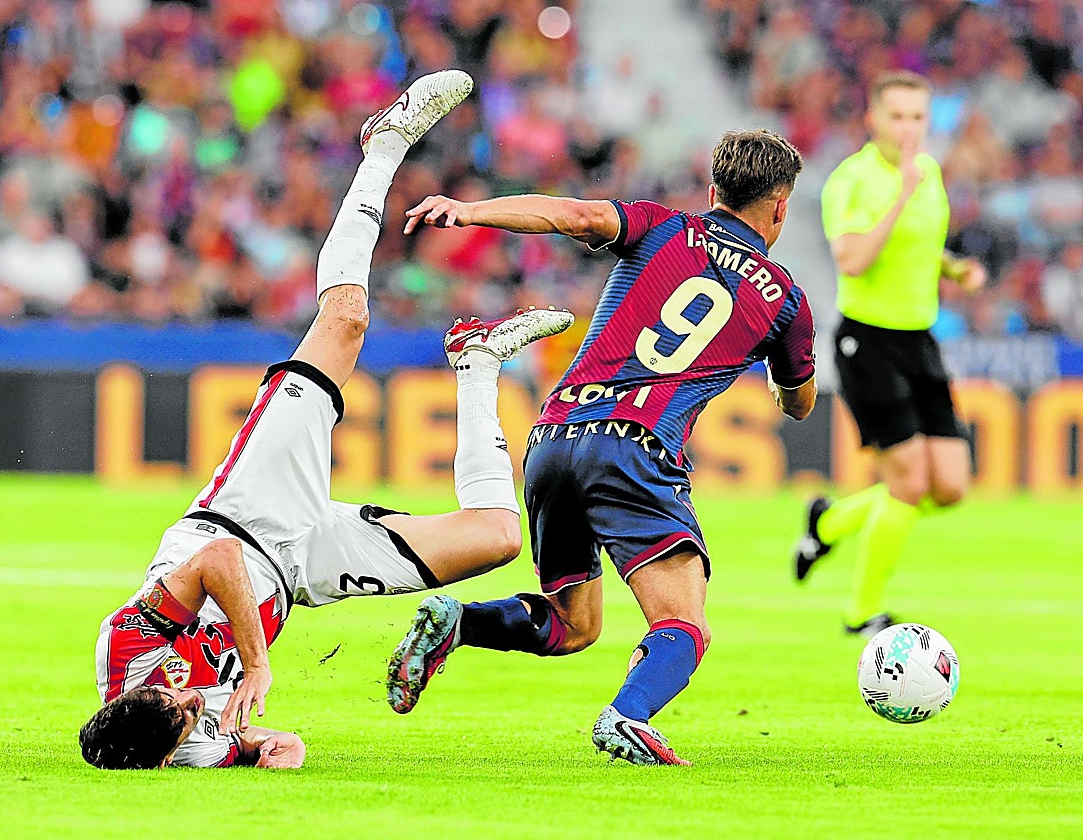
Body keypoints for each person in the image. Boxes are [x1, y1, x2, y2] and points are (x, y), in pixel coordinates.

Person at [78, 70, 575, 770]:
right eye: (187, 717)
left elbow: (217, 564)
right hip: (301, 572)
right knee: (495, 539)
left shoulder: (126, 651)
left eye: (177, 700)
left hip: (245, 517)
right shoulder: (181, 747)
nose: (191, 704)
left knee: (345, 322)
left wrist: (255, 667)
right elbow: (279, 748)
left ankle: (383, 146)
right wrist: (263, 749)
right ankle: (478, 362)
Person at [388, 129, 817, 765]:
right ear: (780, 208)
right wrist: (778, 382)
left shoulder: (661, 228)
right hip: (635, 448)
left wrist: (471, 210)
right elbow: (800, 401)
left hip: (555, 436)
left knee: (574, 624)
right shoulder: (784, 300)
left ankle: (459, 622)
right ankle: (628, 717)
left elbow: (574, 214)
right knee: (684, 625)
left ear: (713, 191)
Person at [793, 71, 986, 637]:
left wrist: (954, 269)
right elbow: (853, 260)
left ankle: (828, 522)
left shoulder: (928, 173)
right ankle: (862, 613)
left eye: (918, 118)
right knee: (906, 486)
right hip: (867, 340)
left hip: (919, 340)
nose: (908, 128)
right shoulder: (852, 181)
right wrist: (900, 193)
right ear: (872, 119)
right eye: (897, 116)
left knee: (949, 487)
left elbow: (921, 246)